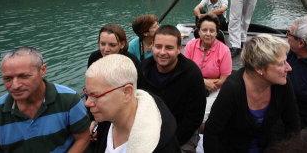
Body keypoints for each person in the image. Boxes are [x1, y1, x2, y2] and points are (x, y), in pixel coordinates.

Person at [204, 34, 300, 152]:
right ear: (259, 68)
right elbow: (212, 132)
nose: (289, 68)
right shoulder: (233, 89)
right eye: (281, 63)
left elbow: (293, 126)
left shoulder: (283, 85)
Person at [0, 47, 90, 152]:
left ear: (43, 70)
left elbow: (83, 138)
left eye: (24, 76)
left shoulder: (69, 101)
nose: (15, 86)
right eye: (7, 78)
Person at [84, 54, 180, 153]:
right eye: (87, 93)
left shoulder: (164, 147)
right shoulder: (106, 120)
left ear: (126, 92)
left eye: (95, 96)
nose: (87, 103)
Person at [137, 25, 207, 153]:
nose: (162, 52)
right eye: (158, 47)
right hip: (149, 131)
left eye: (169, 47)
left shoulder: (192, 74)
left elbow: (194, 117)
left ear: (179, 49)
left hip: (181, 135)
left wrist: (168, 142)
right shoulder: (142, 69)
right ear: (152, 46)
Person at [183, 13, 232, 121]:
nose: (208, 34)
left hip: (214, 88)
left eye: (212, 31)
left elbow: (224, 80)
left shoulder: (224, 51)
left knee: (203, 113)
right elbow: (185, 71)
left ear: (216, 32)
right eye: (204, 30)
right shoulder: (191, 46)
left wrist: (207, 84)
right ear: (199, 31)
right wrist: (203, 82)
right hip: (193, 86)